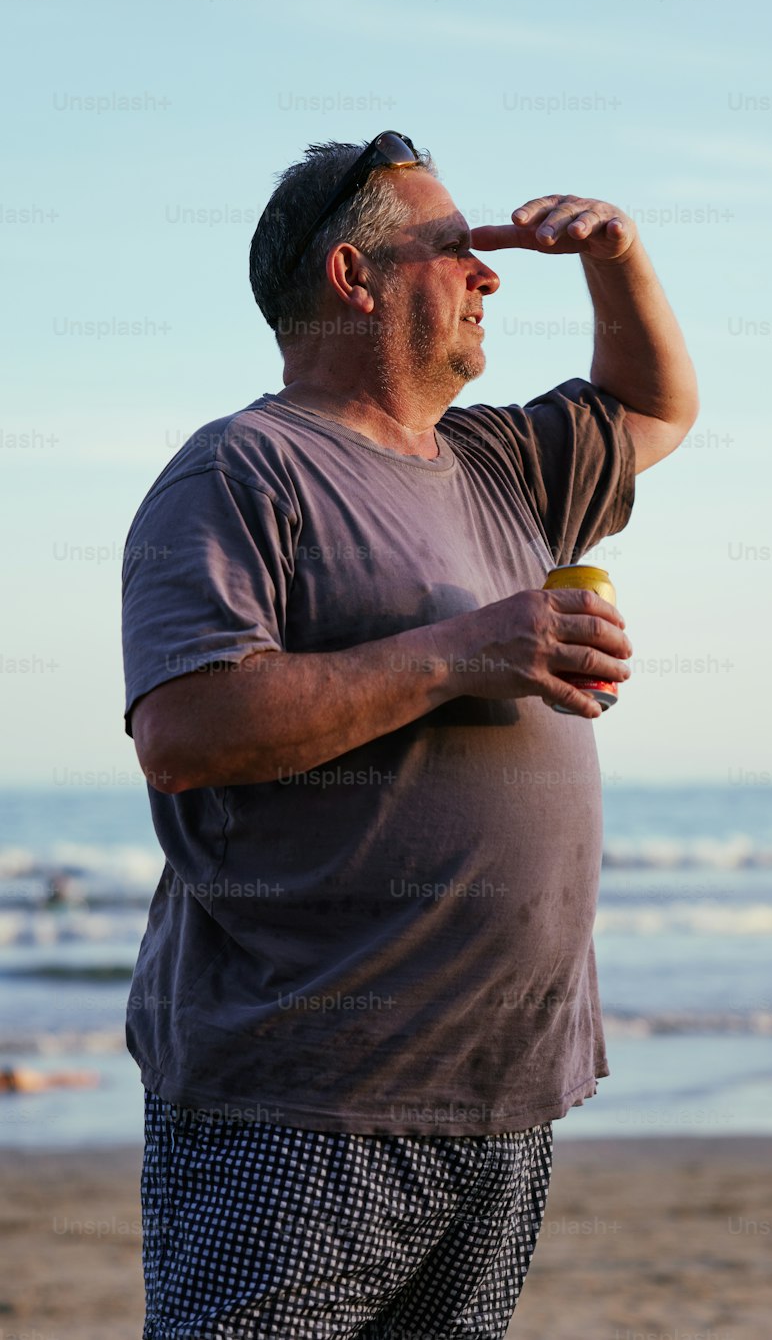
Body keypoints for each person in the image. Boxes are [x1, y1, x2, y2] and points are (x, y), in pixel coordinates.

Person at [122, 131, 698, 1338]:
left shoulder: (493, 462)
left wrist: (616, 254)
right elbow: (185, 725)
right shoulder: (241, 470)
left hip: (503, 1096)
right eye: (457, 247)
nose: (491, 274)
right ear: (354, 276)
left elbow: (652, 403)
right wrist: (466, 653)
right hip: (303, 1110)